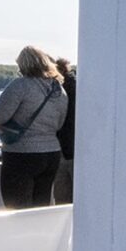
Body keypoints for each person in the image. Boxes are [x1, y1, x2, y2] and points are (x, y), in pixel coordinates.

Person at [0, 47, 68, 209]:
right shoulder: (58, 89)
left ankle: (20, 235)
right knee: (41, 205)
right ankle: (39, 234)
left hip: (21, 153)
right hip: (51, 153)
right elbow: (59, 123)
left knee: (16, 206)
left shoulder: (20, 85)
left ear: (23, 65)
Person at [53, 58, 78, 204]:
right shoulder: (78, 86)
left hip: (64, 149)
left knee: (62, 197)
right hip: (74, 149)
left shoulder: (60, 91)